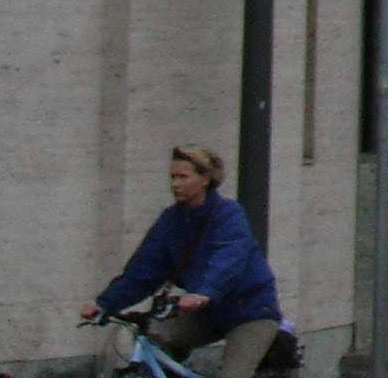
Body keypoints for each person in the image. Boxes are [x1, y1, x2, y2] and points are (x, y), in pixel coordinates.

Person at [80, 146, 287, 376]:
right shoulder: (171, 221)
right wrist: (105, 304)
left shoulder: (228, 214)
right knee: (153, 335)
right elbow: (143, 271)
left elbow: (229, 258)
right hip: (206, 313)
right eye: (172, 177)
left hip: (250, 310)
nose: (175, 184)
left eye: (183, 177)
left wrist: (205, 292)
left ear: (205, 178)